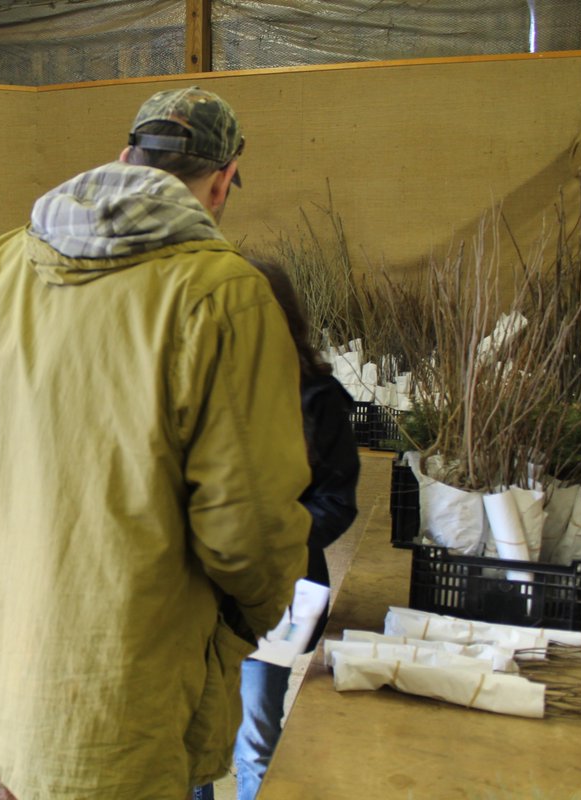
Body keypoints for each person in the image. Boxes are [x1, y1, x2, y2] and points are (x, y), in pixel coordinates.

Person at [0, 87, 312, 800]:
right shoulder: (221, 294)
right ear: (223, 180)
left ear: (125, 158)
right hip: (120, 685)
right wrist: (256, 619)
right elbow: (250, 521)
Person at [193, 261, 361, 800]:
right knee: (190, 737)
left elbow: (338, 500)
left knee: (256, 737)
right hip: (200, 590)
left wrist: (273, 533)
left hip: (284, 591)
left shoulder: (318, 396)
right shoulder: (202, 387)